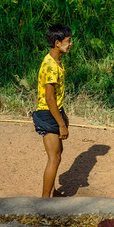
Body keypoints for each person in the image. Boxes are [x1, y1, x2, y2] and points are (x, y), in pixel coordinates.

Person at [34, 23, 72, 198]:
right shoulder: (51, 66)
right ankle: (44, 201)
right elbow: (50, 99)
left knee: (57, 154)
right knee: (54, 158)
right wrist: (61, 124)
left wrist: (63, 116)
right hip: (47, 114)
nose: (70, 44)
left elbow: (55, 97)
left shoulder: (56, 61)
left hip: (54, 112)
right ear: (57, 43)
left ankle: (52, 192)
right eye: (68, 41)